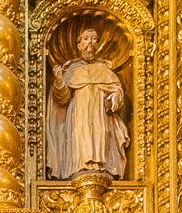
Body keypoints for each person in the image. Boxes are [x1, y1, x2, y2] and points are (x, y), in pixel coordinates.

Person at [45, 26, 129, 179]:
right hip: (78, 112)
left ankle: (101, 168)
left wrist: (114, 98)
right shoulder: (71, 70)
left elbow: (117, 91)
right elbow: (62, 98)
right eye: (86, 39)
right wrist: (59, 80)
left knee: (100, 136)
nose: (90, 42)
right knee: (80, 137)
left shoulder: (104, 70)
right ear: (79, 45)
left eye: (94, 39)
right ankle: (79, 167)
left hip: (100, 113)